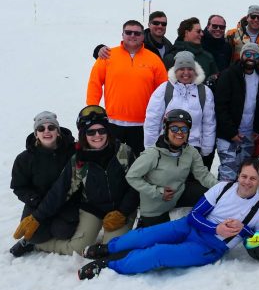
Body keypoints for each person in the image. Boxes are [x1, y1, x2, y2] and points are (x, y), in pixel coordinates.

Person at [78, 158, 259, 279]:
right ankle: (108, 248)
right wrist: (216, 228)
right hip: (190, 226)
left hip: (209, 247)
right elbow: (195, 215)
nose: (246, 182)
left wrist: (243, 230)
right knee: (145, 235)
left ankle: (108, 266)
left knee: (159, 254)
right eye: (244, 176)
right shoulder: (223, 188)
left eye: (252, 178)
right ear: (238, 175)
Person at [13, 106, 139, 255]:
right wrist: (36, 217)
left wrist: (123, 211)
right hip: (93, 209)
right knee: (77, 248)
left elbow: (136, 185)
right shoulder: (79, 160)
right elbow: (61, 191)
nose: (97, 135)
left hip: (121, 209)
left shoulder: (123, 152)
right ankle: (36, 245)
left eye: (101, 130)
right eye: (91, 132)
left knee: (113, 247)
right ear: (84, 134)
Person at [86, 20, 168, 154]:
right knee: (112, 162)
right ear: (122, 34)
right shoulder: (107, 55)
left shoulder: (153, 59)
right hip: (113, 122)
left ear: (143, 36)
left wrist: (163, 115)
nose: (132, 35)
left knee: (138, 164)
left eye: (137, 33)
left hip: (143, 124)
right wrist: (92, 108)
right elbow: (94, 83)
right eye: (128, 32)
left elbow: (164, 90)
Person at [127, 109, 217, 227]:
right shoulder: (152, 154)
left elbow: (203, 175)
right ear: (166, 129)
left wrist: (223, 188)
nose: (179, 133)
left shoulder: (190, 152)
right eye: (174, 128)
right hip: (155, 208)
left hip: (178, 196)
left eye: (184, 129)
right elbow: (131, 176)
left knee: (209, 194)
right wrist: (157, 192)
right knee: (157, 242)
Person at [9, 111, 77, 257]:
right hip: (38, 204)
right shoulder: (24, 159)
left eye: (51, 127)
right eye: (41, 129)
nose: (46, 131)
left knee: (63, 232)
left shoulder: (71, 150)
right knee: (34, 235)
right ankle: (29, 242)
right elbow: (18, 186)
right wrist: (32, 198)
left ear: (58, 132)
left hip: (65, 202)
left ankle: (40, 242)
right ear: (36, 134)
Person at [144, 51, 216, 167]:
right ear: (175, 70)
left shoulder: (204, 92)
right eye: (181, 69)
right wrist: (150, 148)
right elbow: (152, 120)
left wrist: (206, 148)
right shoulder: (164, 90)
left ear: (195, 70)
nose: (186, 73)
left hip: (193, 147)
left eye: (190, 69)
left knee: (191, 183)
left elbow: (209, 122)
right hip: (167, 147)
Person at [215, 42, 259, 182]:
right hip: (228, 134)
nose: (251, 57)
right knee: (228, 173)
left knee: (244, 174)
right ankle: (223, 201)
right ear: (242, 55)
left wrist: (258, 128)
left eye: (255, 55)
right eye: (248, 54)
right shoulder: (228, 74)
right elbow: (220, 106)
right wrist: (231, 132)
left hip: (248, 134)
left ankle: (240, 202)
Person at [93, 11, 173, 62]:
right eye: (156, 23)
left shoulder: (169, 46)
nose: (160, 26)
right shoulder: (139, 42)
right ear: (149, 25)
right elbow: (120, 53)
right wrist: (100, 49)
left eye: (163, 24)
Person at [164, 17, 218, 83]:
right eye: (198, 31)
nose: (202, 34)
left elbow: (215, 80)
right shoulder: (171, 58)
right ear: (186, 33)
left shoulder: (208, 57)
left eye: (202, 31)